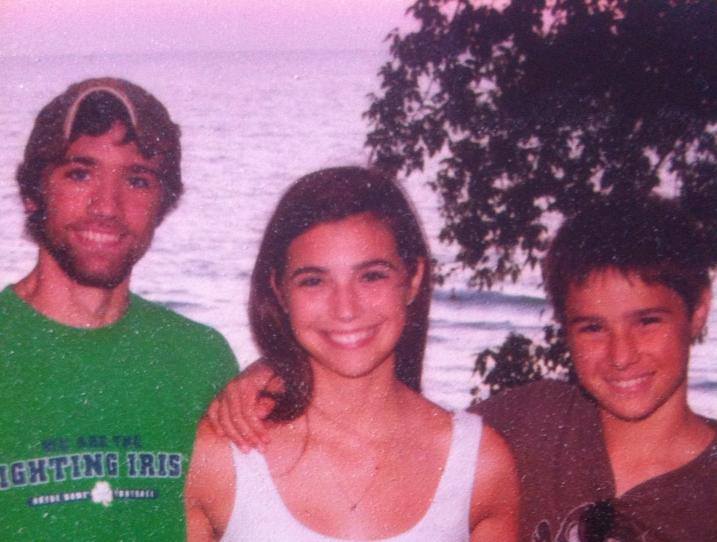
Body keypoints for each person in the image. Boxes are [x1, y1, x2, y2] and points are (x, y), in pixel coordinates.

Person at [211, 196, 717, 541]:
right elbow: (401, 426)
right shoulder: (531, 422)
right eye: (592, 328)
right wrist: (277, 369)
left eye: (647, 322)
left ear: (698, 311)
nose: (621, 354)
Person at [185, 167, 519, 541]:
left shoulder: (478, 465)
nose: (345, 309)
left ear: (412, 278)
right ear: (279, 291)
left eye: (371, 275)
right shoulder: (221, 458)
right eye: (314, 281)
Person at [1, 78, 238, 540]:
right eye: (80, 174)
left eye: (137, 180)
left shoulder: (201, 358)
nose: (107, 206)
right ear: (33, 194)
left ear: (163, 204)